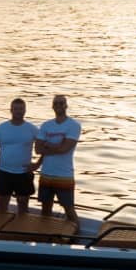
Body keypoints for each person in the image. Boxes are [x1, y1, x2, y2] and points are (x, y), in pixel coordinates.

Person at [0, 98, 39, 215]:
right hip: (4, 173)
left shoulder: (32, 129)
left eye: (21, 109)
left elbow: (44, 147)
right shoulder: (1, 128)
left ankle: (21, 227)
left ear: (25, 110)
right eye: (16, 109)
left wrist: (37, 164)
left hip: (24, 174)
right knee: (1, 209)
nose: (19, 111)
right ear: (11, 110)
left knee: (23, 210)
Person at [35, 94, 81, 223]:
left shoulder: (73, 125)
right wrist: (58, 146)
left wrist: (48, 144)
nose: (58, 105)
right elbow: (38, 149)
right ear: (52, 106)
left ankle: (77, 232)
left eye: (61, 103)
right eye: (56, 103)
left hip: (64, 175)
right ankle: (46, 233)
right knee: (45, 209)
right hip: (46, 174)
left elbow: (64, 149)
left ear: (66, 106)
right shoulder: (46, 125)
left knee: (69, 209)